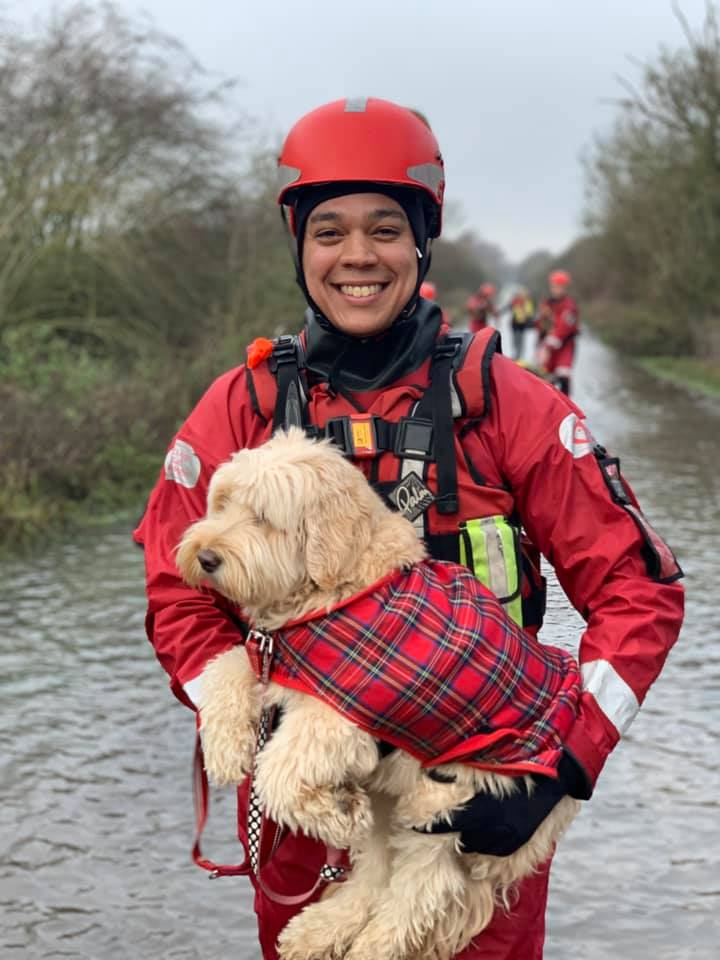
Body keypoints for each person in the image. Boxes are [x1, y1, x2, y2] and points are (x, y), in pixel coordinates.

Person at [134, 97, 684, 960]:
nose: (359, 255)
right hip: (313, 805)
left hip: (475, 806)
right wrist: (250, 716)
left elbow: (636, 588)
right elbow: (178, 589)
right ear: (299, 247)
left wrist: (564, 763)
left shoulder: (504, 403)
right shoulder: (239, 407)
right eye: (330, 232)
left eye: (385, 229)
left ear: (421, 243)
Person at [535, 269, 578, 395]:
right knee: (545, 381)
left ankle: (569, 410)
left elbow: (563, 329)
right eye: (554, 286)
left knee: (563, 376)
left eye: (560, 287)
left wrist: (547, 348)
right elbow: (540, 325)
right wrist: (540, 346)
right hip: (547, 345)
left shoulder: (570, 306)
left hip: (565, 347)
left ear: (565, 287)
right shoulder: (546, 304)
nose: (557, 289)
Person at [508, 285, 534, 360]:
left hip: (522, 325)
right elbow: (509, 307)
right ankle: (516, 355)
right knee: (515, 340)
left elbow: (530, 313)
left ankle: (519, 356)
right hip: (515, 324)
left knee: (521, 340)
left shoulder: (528, 302)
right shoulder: (515, 301)